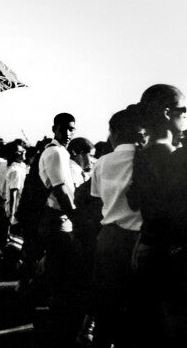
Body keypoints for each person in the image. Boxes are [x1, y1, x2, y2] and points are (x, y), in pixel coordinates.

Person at [128, 84, 186, 348]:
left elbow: (134, 200)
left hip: (147, 246)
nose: (185, 116)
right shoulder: (172, 156)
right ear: (166, 113)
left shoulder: (144, 152)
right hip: (169, 251)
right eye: (182, 110)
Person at [90, 108, 143, 348]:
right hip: (137, 241)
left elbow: (97, 198)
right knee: (133, 305)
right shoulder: (144, 159)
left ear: (116, 132)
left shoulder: (102, 162)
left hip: (108, 237)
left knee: (105, 304)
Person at [37, 112, 83, 346]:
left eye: (71, 129)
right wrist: (78, 219)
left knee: (61, 276)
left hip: (59, 219)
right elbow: (61, 190)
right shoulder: (55, 152)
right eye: (63, 128)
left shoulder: (60, 152)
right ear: (54, 128)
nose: (67, 133)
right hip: (58, 220)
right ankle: (57, 331)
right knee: (62, 278)